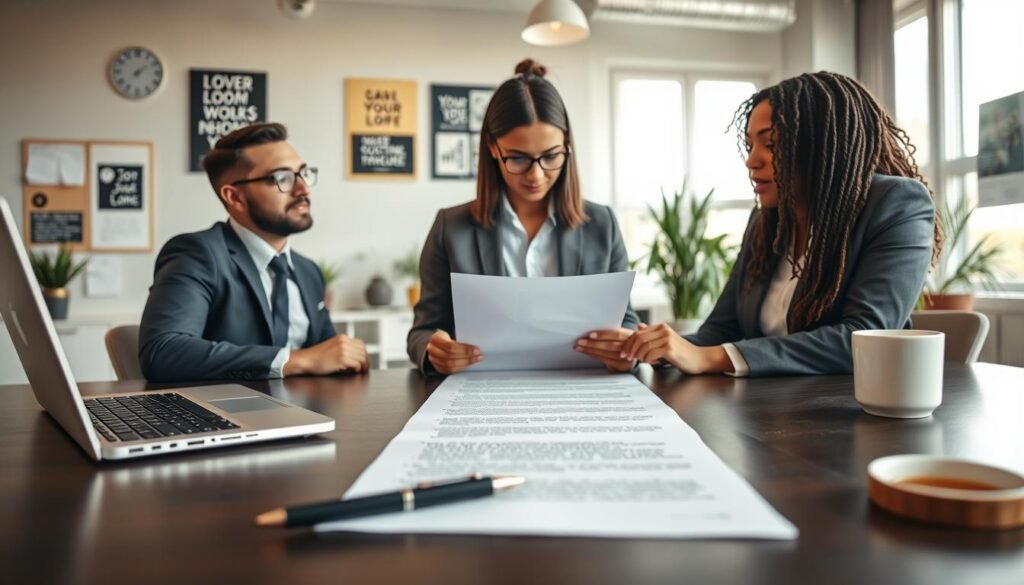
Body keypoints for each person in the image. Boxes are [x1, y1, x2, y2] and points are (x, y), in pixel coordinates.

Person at [578, 71, 942, 376]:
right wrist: (653, 348)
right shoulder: (768, 220)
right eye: (750, 144)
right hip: (767, 418)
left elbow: (865, 337)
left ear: (821, 146)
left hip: (847, 421)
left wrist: (714, 357)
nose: (753, 161)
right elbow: (720, 330)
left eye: (771, 143)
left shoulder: (897, 205)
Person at [408, 59, 639, 375]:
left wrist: (626, 348)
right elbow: (422, 332)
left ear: (567, 146)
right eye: (517, 158)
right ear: (492, 147)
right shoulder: (452, 228)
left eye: (551, 156)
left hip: (581, 391)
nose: (536, 175)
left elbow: (625, 319)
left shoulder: (602, 224)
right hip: (484, 394)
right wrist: (433, 349)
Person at [139, 122, 368, 382]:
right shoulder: (197, 255)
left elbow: (326, 355)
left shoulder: (308, 271)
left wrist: (348, 356)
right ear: (235, 197)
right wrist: (295, 359)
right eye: (282, 178)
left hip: (308, 415)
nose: (304, 189)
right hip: (223, 417)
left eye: (303, 174)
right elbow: (163, 351)